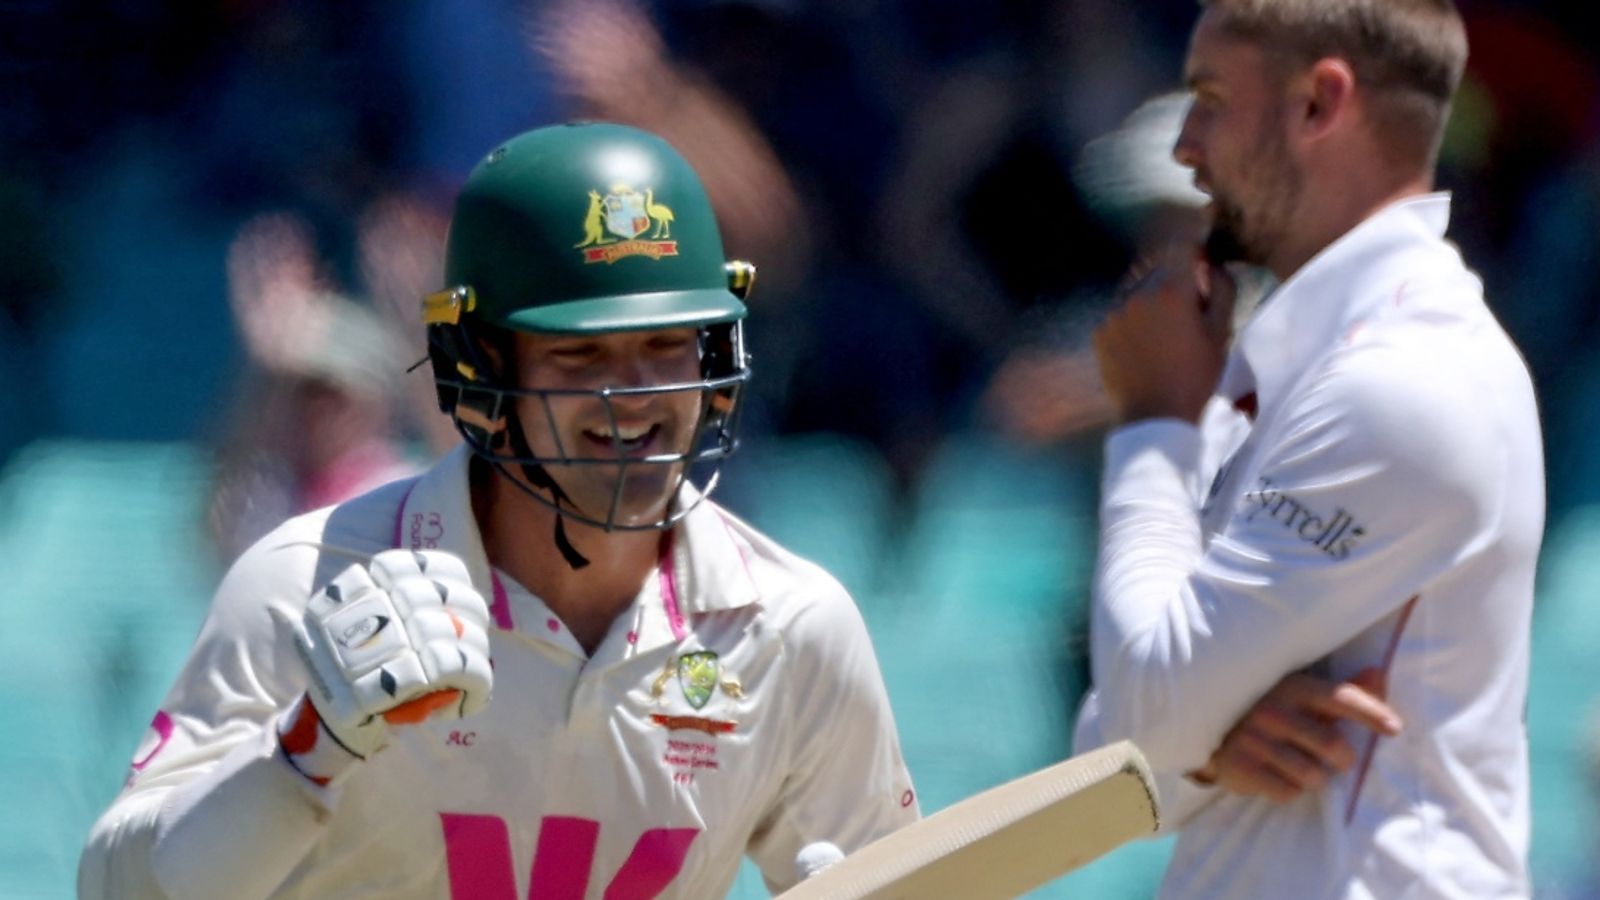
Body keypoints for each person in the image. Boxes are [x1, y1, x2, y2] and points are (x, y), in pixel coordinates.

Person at [79, 123, 918, 899]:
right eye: (579, 352)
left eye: (667, 345)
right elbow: (116, 888)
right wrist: (301, 754)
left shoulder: (793, 629)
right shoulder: (310, 583)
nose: (634, 397)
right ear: (478, 367)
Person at [1073, 1, 1544, 897]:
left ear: (1320, 103)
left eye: (1210, 99)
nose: (1186, 146)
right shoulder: (1303, 365)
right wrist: (1206, 740)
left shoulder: (1406, 379)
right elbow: (1107, 740)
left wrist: (1151, 425)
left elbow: (1140, 723)